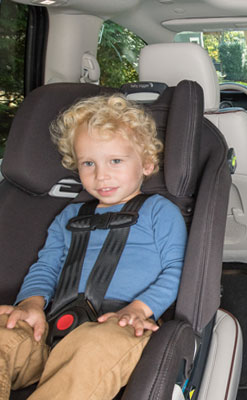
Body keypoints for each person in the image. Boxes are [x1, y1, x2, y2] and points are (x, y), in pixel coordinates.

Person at [0, 94, 187, 399]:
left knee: (94, 349)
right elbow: (46, 267)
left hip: (121, 327)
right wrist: (30, 304)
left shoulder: (159, 211)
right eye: (89, 163)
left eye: (116, 161)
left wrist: (139, 309)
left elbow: (177, 269)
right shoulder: (69, 216)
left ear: (147, 163)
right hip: (51, 329)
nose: (101, 175)